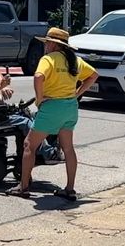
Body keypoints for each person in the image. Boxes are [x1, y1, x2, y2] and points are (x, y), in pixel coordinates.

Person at [8, 27, 98, 201]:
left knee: (29, 145)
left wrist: (39, 99)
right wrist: (77, 93)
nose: (46, 45)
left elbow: (38, 76)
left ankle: (23, 187)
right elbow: (93, 75)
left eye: (47, 42)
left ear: (54, 44)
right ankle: (70, 189)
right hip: (70, 107)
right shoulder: (74, 60)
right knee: (68, 148)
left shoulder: (48, 59)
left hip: (52, 107)